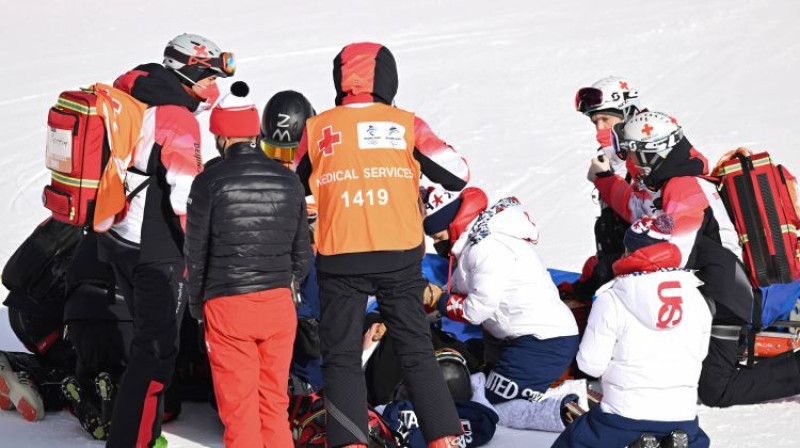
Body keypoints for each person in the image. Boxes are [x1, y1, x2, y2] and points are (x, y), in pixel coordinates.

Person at [293, 42, 470, 448]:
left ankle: (351, 443)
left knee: (340, 359)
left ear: (340, 80)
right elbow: (458, 173)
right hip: (398, 253)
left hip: (341, 256)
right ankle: (445, 440)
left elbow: (295, 183)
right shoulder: (406, 124)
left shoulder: (319, 128)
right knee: (416, 352)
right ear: (388, 78)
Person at [589, 111, 800, 407]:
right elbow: (638, 209)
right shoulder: (673, 184)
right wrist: (604, 180)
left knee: (716, 390)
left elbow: (673, 251)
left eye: (632, 154)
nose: (629, 162)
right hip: (712, 294)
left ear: (652, 155)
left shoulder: (685, 187)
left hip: (727, 301)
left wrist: (617, 270)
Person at [96, 33, 234, 448]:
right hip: (154, 248)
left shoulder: (135, 94)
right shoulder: (177, 117)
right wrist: (205, 248)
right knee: (156, 350)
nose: (215, 88)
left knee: (146, 338)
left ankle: (156, 419)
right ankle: (132, 440)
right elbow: (185, 195)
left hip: (117, 235)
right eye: (209, 77)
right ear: (188, 73)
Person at [185, 81, 311, 448]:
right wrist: (280, 282)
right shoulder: (289, 181)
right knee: (274, 403)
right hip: (277, 306)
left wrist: (197, 305)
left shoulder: (208, 182)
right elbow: (302, 257)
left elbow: (195, 253)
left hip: (228, 306)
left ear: (222, 136)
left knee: (239, 410)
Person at [420, 186, 582, 432]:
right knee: (476, 383)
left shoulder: (486, 248)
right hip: (515, 339)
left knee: (494, 406)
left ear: (452, 224)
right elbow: (461, 291)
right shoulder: (472, 244)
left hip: (543, 341)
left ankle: (565, 405)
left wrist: (439, 298)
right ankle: (549, 389)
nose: (436, 244)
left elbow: (477, 310)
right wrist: (429, 309)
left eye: (438, 237)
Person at [553, 214, 712, 448]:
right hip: (682, 417)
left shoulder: (613, 297)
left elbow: (590, 364)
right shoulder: (695, 296)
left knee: (572, 441)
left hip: (622, 418)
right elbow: (700, 354)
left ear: (631, 252)